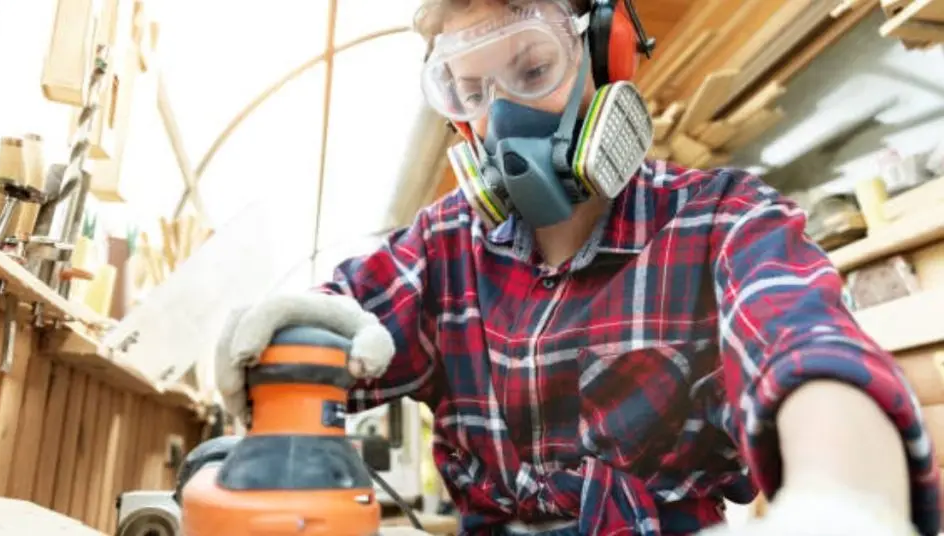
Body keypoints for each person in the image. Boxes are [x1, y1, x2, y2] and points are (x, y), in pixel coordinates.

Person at [214, 1, 941, 534]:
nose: (501, 118)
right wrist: (287, 345)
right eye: (470, 92)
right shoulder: (442, 249)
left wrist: (845, 501)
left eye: (532, 69)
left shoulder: (720, 222)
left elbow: (805, 346)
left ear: (607, 56)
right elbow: (329, 333)